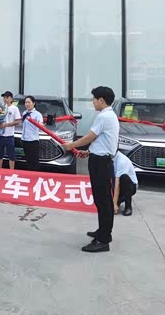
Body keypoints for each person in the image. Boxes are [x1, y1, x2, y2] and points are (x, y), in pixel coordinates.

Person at [63, 86, 119, 253]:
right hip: (100, 159)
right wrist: (89, 152)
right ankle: (103, 231)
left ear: (101, 100)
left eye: (94, 99)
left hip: (101, 163)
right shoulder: (109, 115)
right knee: (102, 200)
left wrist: (72, 145)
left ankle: (103, 240)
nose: (92, 102)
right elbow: (102, 141)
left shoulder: (104, 116)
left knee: (103, 201)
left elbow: (90, 137)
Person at [0, 91, 22, 170]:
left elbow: (18, 121)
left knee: (11, 155)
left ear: (11, 98)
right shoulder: (0, 108)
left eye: (7, 97)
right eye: (4, 97)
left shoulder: (14, 108)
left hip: (9, 136)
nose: (5, 99)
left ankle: (11, 171)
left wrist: (6, 125)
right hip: (0, 135)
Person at [20, 95, 44, 172]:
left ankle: (35, 175)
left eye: (29, 102)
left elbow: (41, 124)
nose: (27, 104)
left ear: (33, 103)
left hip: (33, 140)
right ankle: (29, 175)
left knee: (34, 161)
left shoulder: (37, 114)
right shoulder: (24, 113)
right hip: (24, 140)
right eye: (26, 102)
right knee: (28, 160)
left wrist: (40, 124)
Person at [113, 151, 138, 216]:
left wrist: (114, 203)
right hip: (115, 183)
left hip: (129, 186)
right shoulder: (108, 158)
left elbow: (117, 183)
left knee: (124, 178)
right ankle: (119, 199)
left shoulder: (122, 161)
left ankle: (128, 207)